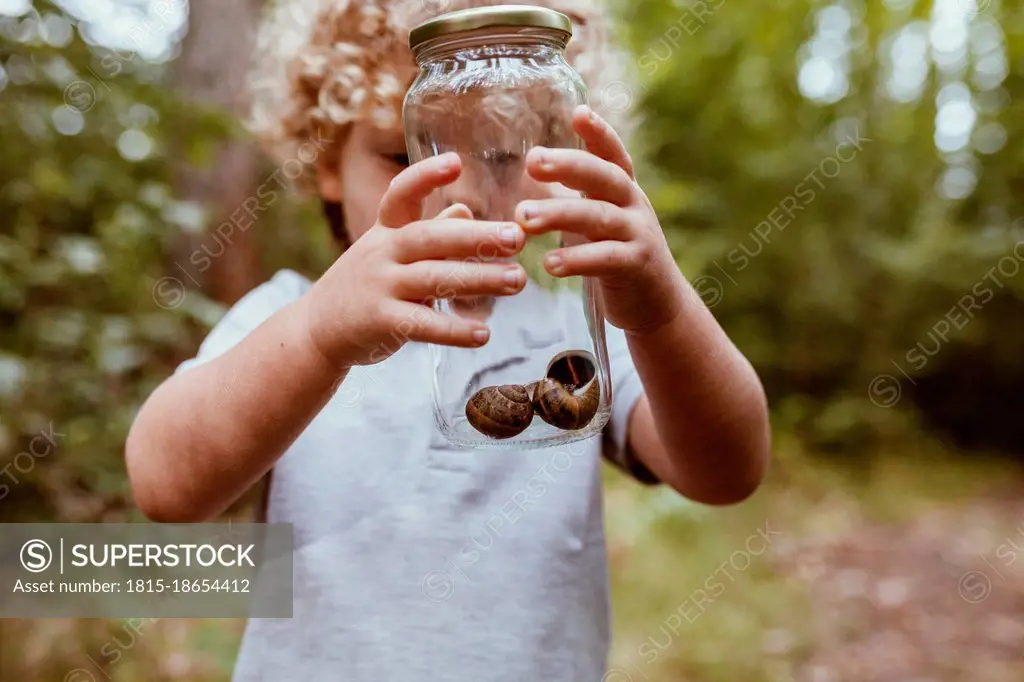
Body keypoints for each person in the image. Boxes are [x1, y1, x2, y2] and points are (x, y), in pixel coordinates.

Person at [125, 0, 771, 679]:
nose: (458, 196)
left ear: (552, 158)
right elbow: (165, 487)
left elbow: (726, 470)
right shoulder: (287, 319)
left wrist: (661, 312)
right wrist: (319, 338)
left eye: (500, 155)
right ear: (324, 160)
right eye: (404, 155)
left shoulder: (574, 327)